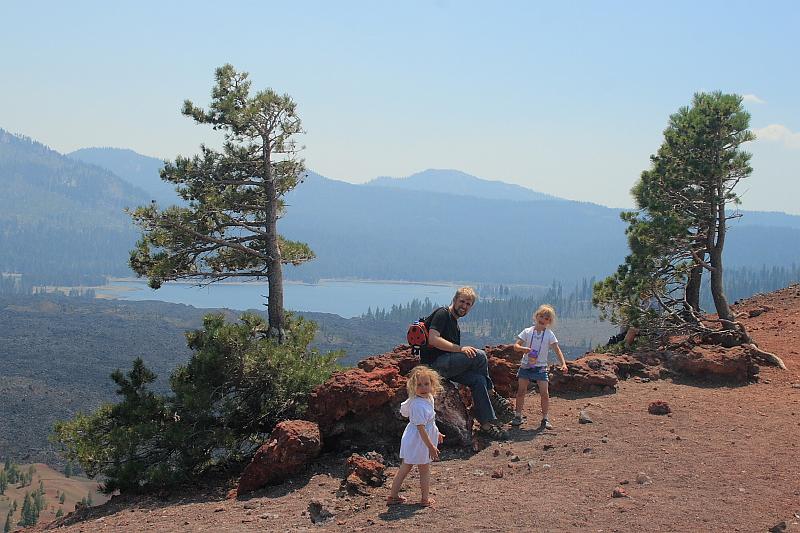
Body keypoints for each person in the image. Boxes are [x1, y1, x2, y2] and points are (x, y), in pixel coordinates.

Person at [420, 287, 507, 439]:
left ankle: (486, 425)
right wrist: (461, 349)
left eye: (468, 304)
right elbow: (433, 339)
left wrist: (460, 352)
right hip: (434, 365)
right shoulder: (443, 314)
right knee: (479, 355)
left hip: (448, 365)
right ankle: (491, 393)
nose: (464, 306)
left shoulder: (455, 322)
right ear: (454, 300)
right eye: (462, 301)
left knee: (478, 380)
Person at [387, 365, 444, 507]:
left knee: (410, 466)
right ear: (413, 387)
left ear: (432, 384)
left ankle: (394, 496)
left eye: (426, 384)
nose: (423, 388)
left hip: (420, 437)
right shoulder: (417, 405)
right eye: (419, 385)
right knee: (416, 467)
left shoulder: (428, 398)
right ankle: (423, 499)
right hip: (418, 439)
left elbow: (429, 421)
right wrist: (430, 446)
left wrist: (436, 433)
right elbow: (421, 428)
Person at [510, 304, 568, 429]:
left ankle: (545, 418)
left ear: (549, 321)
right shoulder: (527, 331)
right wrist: (524, 349)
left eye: (546, 318)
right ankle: (518, 415)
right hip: (526, 365)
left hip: (541, 367)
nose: (543, 319)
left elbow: (557, 350)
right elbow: (516, 346)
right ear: (536, 316)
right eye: (541, 316)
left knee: (544, 393)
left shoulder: (549, 334)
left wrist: (563, 363)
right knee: (521, 391)